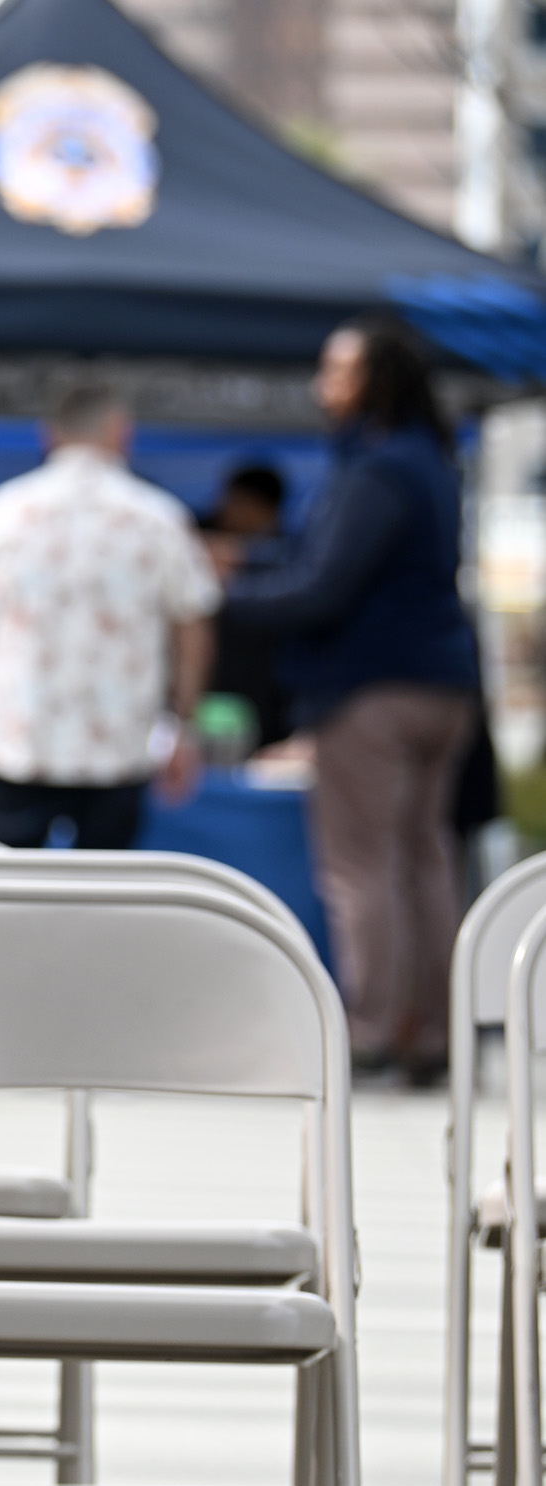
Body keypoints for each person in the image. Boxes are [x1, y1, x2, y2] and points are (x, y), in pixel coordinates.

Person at [225, 315, 485, 1078]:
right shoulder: (430, 462)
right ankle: (434, 1033)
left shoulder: (376, 470)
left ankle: (372, 1030)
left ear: (372, 381)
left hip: (373, 687)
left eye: (335, 370)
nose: (321, 386)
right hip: (441, 685)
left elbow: (322, 588)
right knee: (423, 859)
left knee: (363, 867)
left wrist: (227, 592)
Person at [0, 384, 216, 850]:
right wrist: (183, 726)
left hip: (15, 737)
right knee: (102, 897)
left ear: (49, 435)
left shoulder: (2, 511)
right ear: (120, 432)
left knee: (0, 890)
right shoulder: (158, 516)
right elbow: (193, 626)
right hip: (119, 743)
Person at [199, 461, 293, 750]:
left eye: (234, 503)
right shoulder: (201, 536)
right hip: (215, 683)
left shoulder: (293, 559)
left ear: (259, 507)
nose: (224, 510)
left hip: (266, 690)